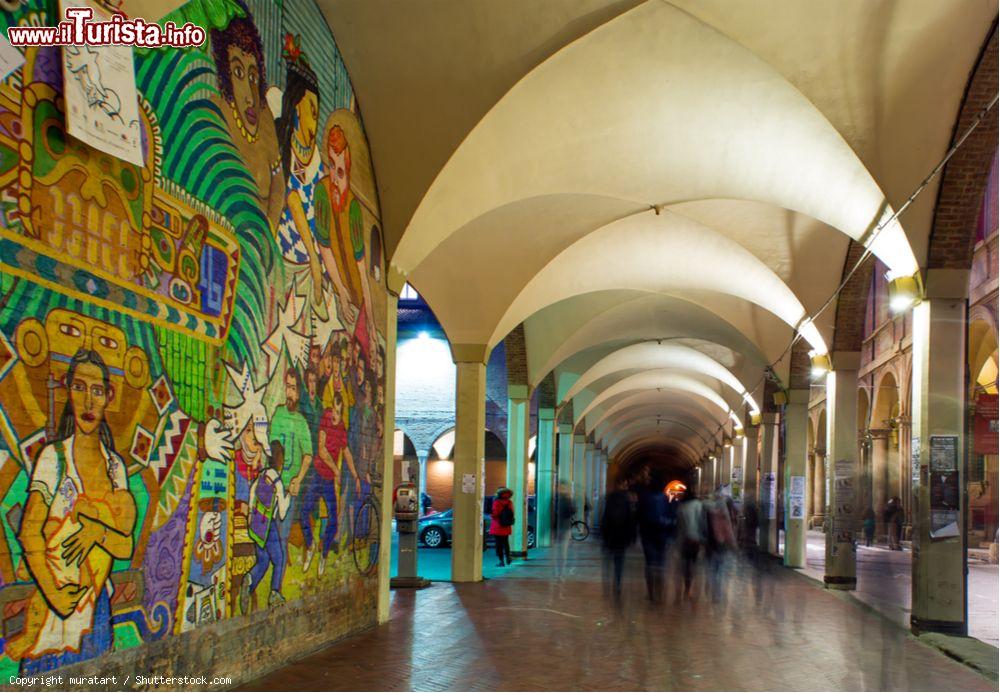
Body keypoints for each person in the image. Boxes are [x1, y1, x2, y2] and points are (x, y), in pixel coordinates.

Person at [11, 350, 137, 671]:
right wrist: (53, 594)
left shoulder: (114, 467)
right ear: (67, 389)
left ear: (109, 397)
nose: (88, 402)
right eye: (79, 388)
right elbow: (29, 533)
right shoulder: (53, 459)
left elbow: (125, 546)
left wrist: (98, 531)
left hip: (96, 609)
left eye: (97, 391)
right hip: (54, 605)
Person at [242, 441, 290, 611]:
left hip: (256, 525)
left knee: (263, 560)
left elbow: (251, 496)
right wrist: (289, 494)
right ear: (279, 459)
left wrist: (249, 518)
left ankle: (249, 581)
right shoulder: (277, 481)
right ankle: (274, 593)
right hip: (269, 527)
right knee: (279, 560)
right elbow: (282, 513)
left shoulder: (261, 476)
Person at [637, 474, 671, 603]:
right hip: (662, 535)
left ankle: (651, 593)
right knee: (661, 564)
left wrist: (639, 532)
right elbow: (671, 516)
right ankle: (660, 592)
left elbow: (639, 516)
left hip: (648, 535)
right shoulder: (665, 499)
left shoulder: (645, 498)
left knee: (650, 564)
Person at [601, 480, 636, 601]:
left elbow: (605, 518)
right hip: (621, 537)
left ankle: (606, 585)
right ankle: (617, 584)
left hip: (610, 536)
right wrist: (632, 537)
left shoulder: (610, 499)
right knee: (619, 562)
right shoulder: (627, 501)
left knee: (607, 561)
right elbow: (631, 520)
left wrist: (603, 535)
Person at [675, 490, 706, 603]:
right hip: (695, 539)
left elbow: (678, 525)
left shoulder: (681, 507)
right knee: (694, 562)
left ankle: (686, 587)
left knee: (686, 564)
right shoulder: (698, 505)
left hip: (684, 540)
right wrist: (703, 538)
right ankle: (691, 589)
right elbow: (702, 523)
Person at [490, 486, 515, 567]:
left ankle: (501, 561)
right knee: (506, 543)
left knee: (499, 545)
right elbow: (512, 513)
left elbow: (495, 514)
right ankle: (508, 557)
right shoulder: (509, 502)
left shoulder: (497, 502)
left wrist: (492, 515)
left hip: (498, 526)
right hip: (506, 526)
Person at [555, 483, 576, 577]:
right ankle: (558, 571)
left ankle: (560, 572)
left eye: (562, 488)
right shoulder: (557, 499)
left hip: (564, 528)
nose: (560, 489)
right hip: (559, 528)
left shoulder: (565, 499)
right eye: (560, 487)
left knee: (562, 551)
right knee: (559, 551)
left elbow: (572, 511)